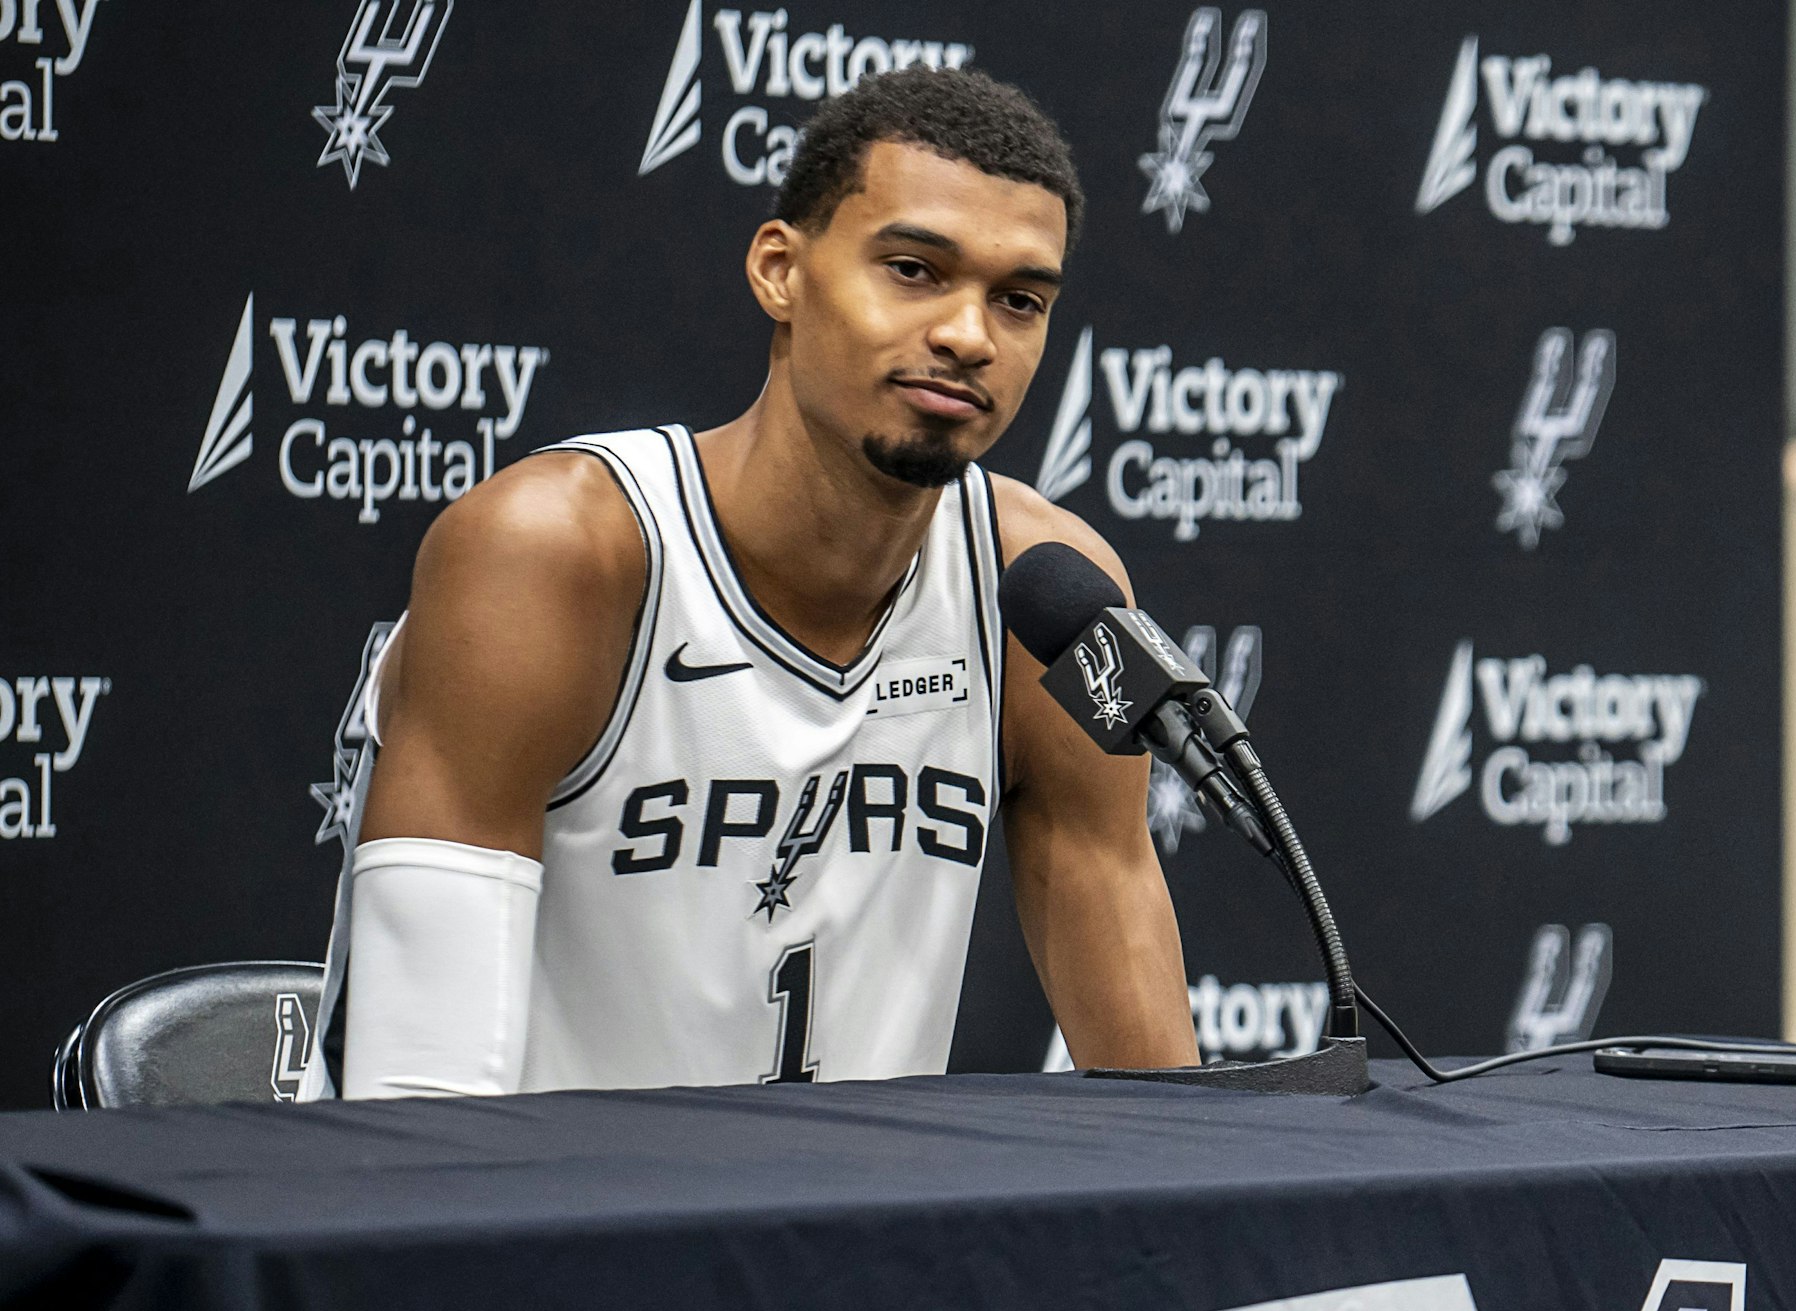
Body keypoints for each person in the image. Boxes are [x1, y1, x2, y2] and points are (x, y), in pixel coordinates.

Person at [308, 65, 1199, 1099]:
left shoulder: (1037, 589)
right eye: (913, 269)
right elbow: (421, 1103)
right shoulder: (559, 551)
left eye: (1018, 300)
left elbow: (1166, 1117)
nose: (968, 335)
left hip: (854, 1250)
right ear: (780, 270)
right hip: (533, 1236)